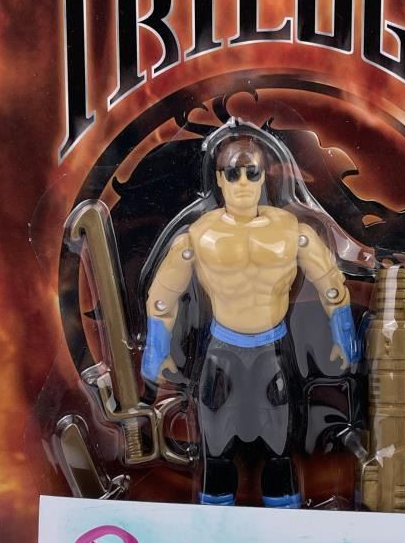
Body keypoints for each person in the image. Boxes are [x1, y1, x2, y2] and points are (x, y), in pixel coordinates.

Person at [141, 129, 359, 507]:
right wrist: (156, 350)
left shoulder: (292, 232)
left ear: (263, 177)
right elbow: (162, 297)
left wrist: (345, 338)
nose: (242, 182)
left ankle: (288, 533)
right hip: (221, 355)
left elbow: (332, 286)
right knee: (216, 455)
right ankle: (212, 533)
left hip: (272, 354)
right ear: (219, 178)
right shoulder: (199, 236)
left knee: (279, 455)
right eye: (233, 173)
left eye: (251, 173)